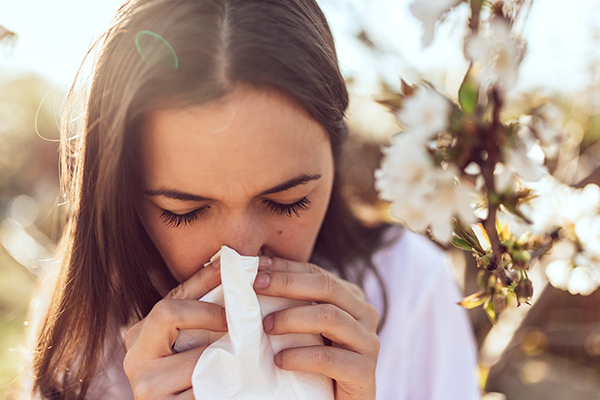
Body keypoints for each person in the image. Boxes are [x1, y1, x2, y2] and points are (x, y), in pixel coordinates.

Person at [25, 0, 479, 399]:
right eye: (184, 212)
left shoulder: (411, 289)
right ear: (124, 195)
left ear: (334, 157)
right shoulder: (86, 336)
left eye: (288, 201)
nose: (241, 254)